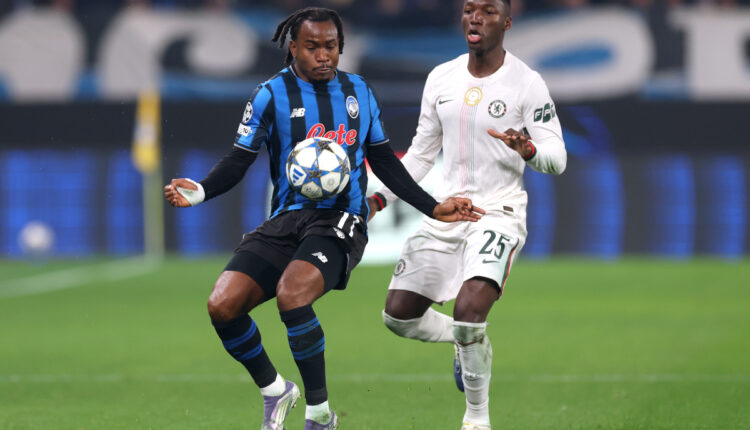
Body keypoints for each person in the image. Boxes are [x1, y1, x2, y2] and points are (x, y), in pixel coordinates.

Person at [163, 7, 484, 430]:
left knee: (292, 294)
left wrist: (432, 205)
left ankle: (319, 415)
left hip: (341, 217)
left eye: (330, 46)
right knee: (222, 305)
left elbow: (384, 161)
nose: (323, 55)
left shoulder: (358, 91)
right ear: (293, 48)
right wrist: (202, 190)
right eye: (312, 47)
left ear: (340, 47)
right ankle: (275, 390)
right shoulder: (269, 94)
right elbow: (239, 159)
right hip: (286, 219)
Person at [367, 1, 567, 429]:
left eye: (488, 11)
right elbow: (421, 155)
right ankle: (466, 342)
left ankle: (477, 419)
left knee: (470, 309)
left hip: (498, 212)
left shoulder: (527, 83)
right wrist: (378, 200)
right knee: (398, 316)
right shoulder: (442, 77)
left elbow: (558, 158)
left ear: (507, 23)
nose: (475, 17)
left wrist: (529, 149)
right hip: (447, 212)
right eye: (469, 9)